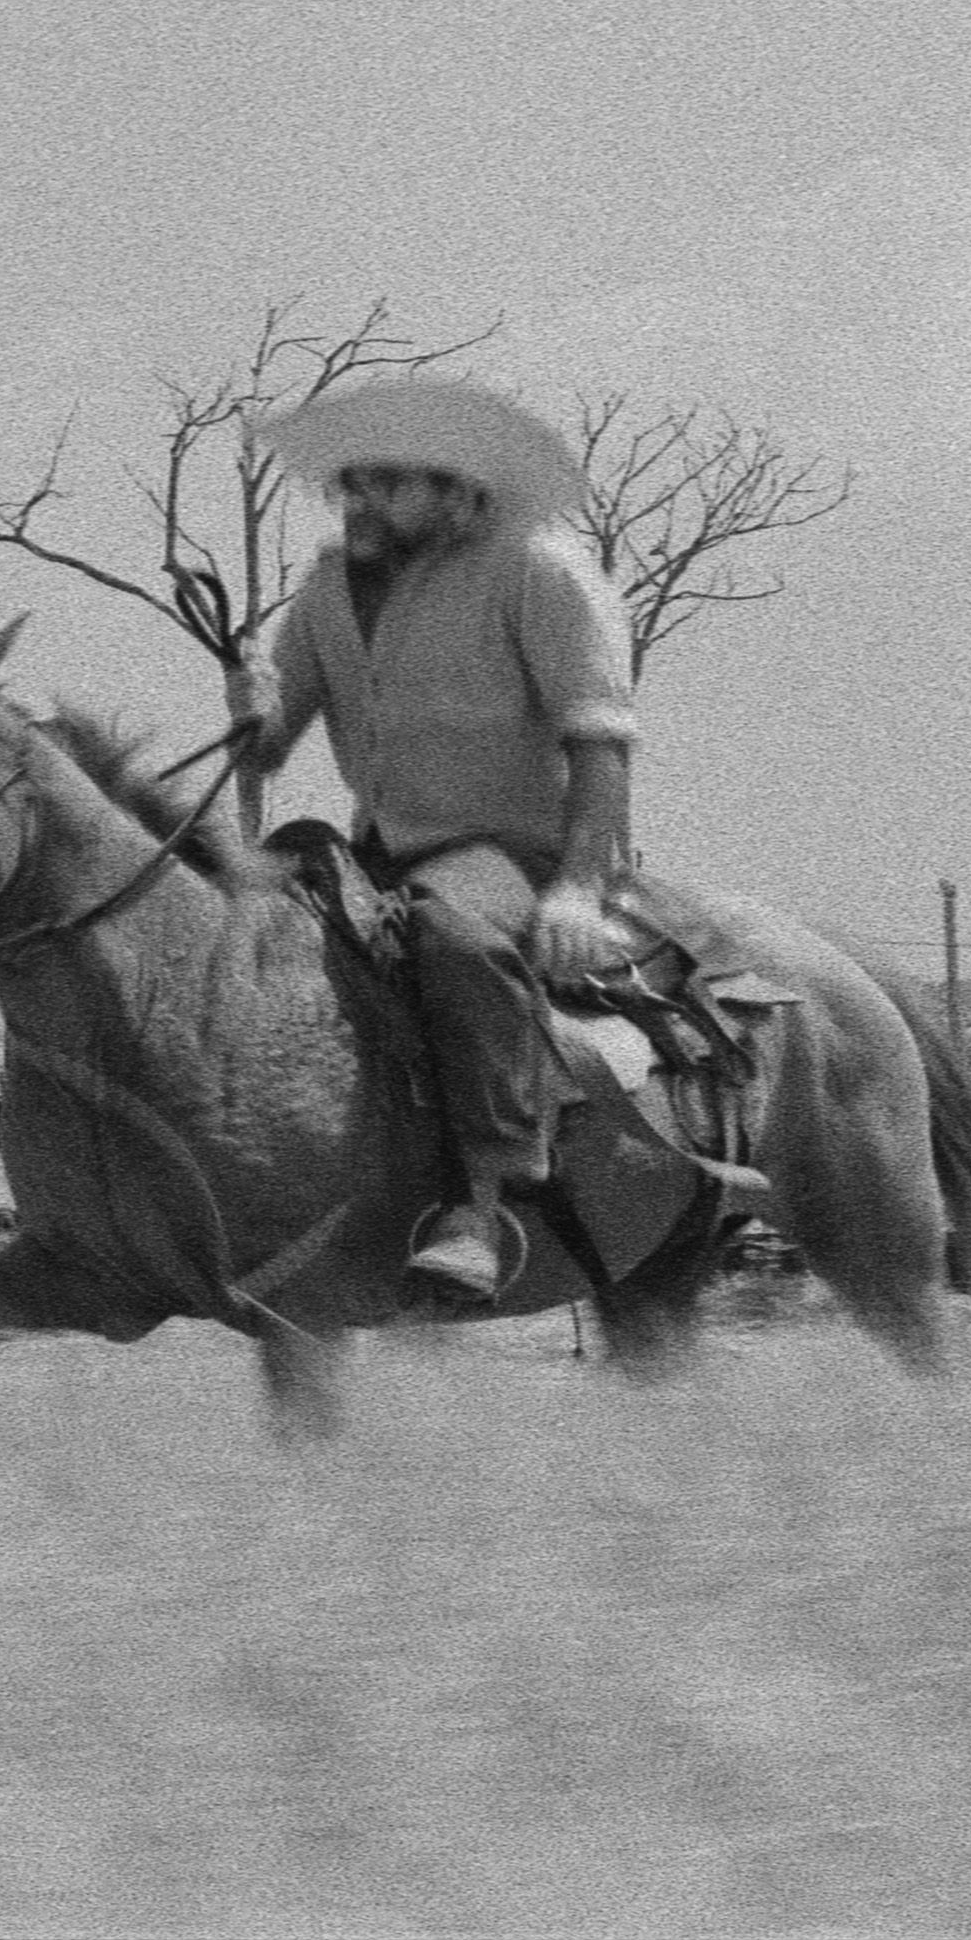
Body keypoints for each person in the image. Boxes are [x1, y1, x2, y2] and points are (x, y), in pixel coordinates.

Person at [225, 376, 636, 1310]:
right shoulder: (328, 587)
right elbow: (271, 742)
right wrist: (250, 708)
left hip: (510, 850)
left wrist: (575, 891)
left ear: (457, 488)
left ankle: (481, 1204)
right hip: (377, 853)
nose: (356, 499)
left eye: (384, 482)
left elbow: (600, 745)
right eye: (349, 482)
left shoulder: (539, 569)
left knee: (447, 933)